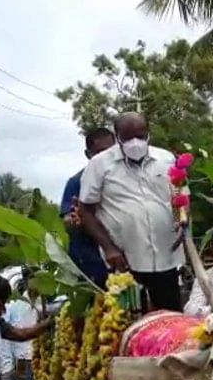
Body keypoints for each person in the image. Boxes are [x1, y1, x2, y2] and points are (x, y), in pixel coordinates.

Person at [79, 113, 184, 311]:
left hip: (165, 257)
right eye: (127, 138)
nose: (135, 143)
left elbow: (179, 197)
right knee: (127, 322)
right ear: (117, 137)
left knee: (171, 319)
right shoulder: (99, 165)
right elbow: (85, 210)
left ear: (148, 134)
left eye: (140, 136)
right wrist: (108, 248)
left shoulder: (166, 159)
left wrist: (182, 224)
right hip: (125, 261)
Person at [60, 128, 115, 288]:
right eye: (100, 152)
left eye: (110, 151)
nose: (105, 158)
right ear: (88, 154)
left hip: (123, 262)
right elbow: (67, 220)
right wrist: (77, 218)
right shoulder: (77, 182)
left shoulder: (123, 179)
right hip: (91, 265)